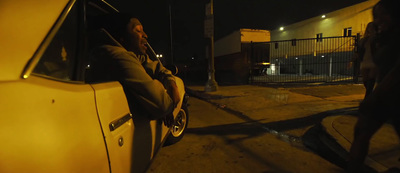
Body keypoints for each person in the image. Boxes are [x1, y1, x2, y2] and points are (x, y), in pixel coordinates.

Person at [89, 13, 180, 127]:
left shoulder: (129, 54)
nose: (145, 35)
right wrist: (166, 95)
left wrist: (171, 83)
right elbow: (163, 105)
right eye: (138, 31)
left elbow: (157, 67)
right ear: (121, 36)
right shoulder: (119, 56)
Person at [347, 0, 400, 172]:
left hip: (390, 92)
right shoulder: (384, 36)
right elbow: (379, 62)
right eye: (375, 16)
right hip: (386, 95)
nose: (377, 20)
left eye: (381, 14)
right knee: (361, 131)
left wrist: (375, 96)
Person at [359, 22, 378, 99]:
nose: (371, 29)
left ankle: (367, 98)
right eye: (369, 27)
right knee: (365, 81)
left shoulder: (377, 38)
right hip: (365, 61)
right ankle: (372, 96)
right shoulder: (364, 40)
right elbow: (359, 51)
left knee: (371, 79)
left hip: (373, 61)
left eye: (372, 27)